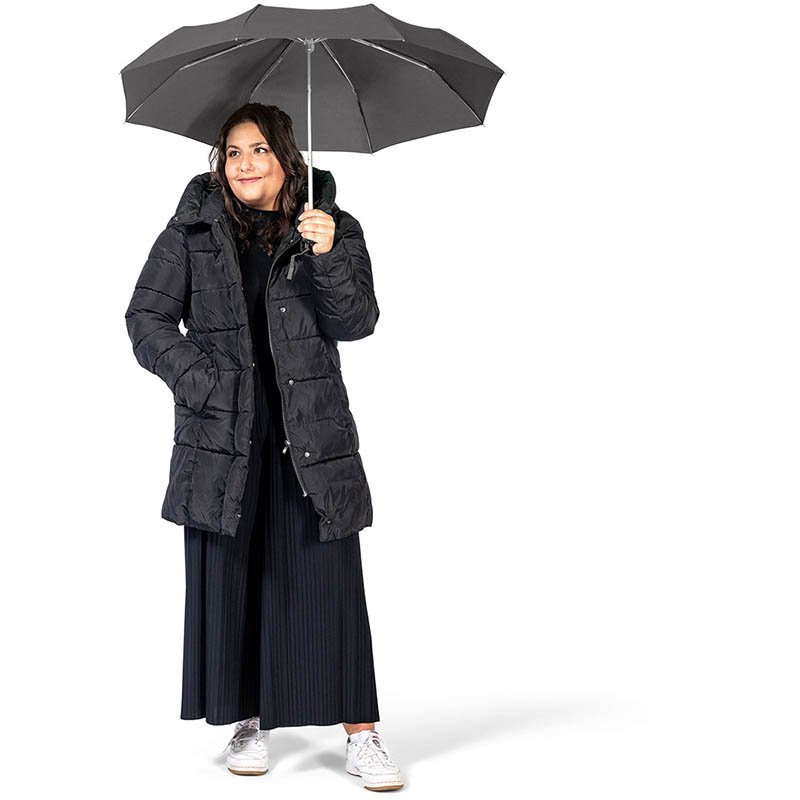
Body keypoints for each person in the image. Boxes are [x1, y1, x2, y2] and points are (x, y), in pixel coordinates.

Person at [124, 103, 403, 790]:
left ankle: (362, 735)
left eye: (259, 150)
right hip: (225, 440)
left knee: (330, 585)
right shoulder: (191, 231)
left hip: (310, 437)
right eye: (232, 152)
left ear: (287, 157)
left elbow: (358, 321)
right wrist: (205, 383)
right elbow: (146, 317)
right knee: (236, 580)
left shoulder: (330, 226)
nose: (244, 164)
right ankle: (248, 720)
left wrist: (327, 254)